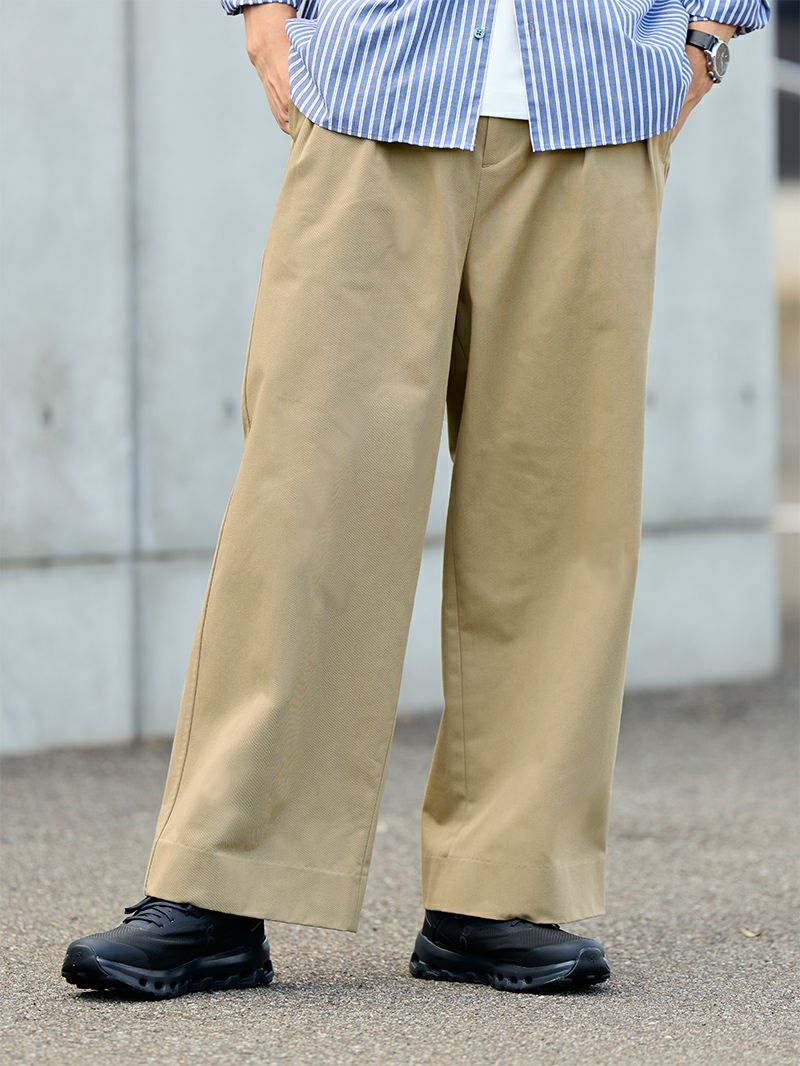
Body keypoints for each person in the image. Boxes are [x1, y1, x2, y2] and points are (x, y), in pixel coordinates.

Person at [61, 0, 770, 999]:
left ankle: (499, 888)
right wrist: (262, 12)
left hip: (599, 97)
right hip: (377, 88)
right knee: (303, 504)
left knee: (556, 516)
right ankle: (215, 882)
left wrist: (707, 39)